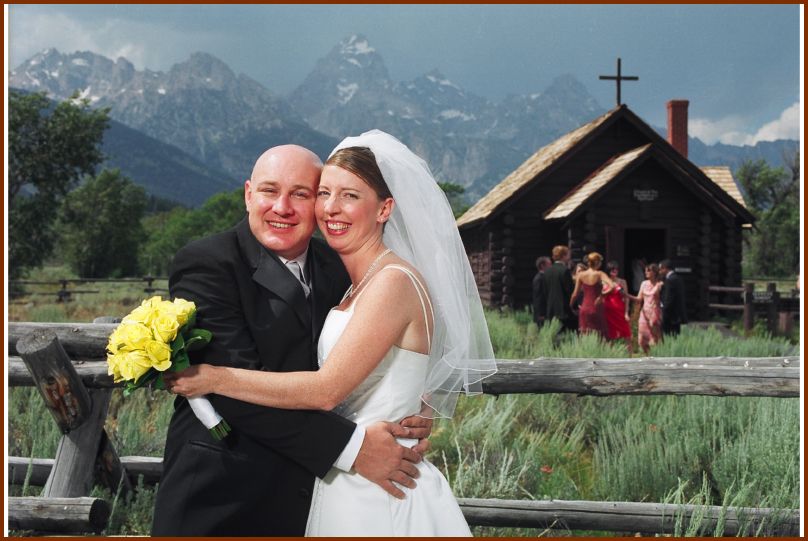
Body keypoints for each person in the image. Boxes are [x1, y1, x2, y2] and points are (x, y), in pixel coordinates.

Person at [165, 130, 497, 536]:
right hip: (225, 496)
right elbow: (239, 401)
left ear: (384, 209)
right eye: (271, 191)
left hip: (345, 488)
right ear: (249, 194)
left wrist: (416, 403)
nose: (283, 208)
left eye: (303, 194)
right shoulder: (207, 263)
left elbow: (339, 379)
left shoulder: (346, 266)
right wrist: (356, 448)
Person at [570, 252, 612, 336]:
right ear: (598, 262)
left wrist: (570, 305)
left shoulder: (581, 275)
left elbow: (575, 294)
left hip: (585, 308)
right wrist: (602, 296)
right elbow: (612, 286)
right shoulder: (600, 274)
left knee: (585, 335)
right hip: (597, 307)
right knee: (600, 337)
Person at [542, 246, 576, 331]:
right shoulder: (565, 270)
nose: (569, 257)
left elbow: (545, 291)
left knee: (554, 336)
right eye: (568, 255)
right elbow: (570, 291)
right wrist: (574, 307)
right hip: (564, 311)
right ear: (563, 256)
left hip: (551, 310)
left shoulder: (547, 271)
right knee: (568, 337)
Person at [603, 260, 633, 353]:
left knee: (626, 334)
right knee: (609, 336)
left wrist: (626, 313)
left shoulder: (622, 281)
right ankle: (609, 357)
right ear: (608, 270)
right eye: (612, 269)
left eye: (616, 269)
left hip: (620, 311)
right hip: (607, 312)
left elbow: (627, 297)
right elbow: (601, 295)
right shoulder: (604, 281)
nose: (615, 271)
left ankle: (630, 359)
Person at [636, 262, 663, 354]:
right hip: (644, 313)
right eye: (645, 271)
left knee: (655, 339)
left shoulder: (659, 284)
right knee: (641, 340)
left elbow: (651, 293)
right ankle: (646, 357)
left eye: (648, 271)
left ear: (654, 272)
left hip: (654, 312)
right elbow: (639, 298)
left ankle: (657, 356)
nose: (646, 272)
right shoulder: (643, 283)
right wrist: (626, 295)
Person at [659, 259, 688, 335]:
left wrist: (663, 312)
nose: (660, 272)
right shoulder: (678, 278)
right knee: (675, 336)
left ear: (665, 268)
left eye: (661, 269)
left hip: (670, 316)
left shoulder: (670, 280)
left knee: (667, 336)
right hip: (677, 315)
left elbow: (668, 300)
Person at [532, 256, 551, 328]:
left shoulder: (543, 277)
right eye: (549, 264)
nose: (551, 266)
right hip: (542, 314)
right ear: (542, 266)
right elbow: (538, 297)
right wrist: (541, 314)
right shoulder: (539, 279)